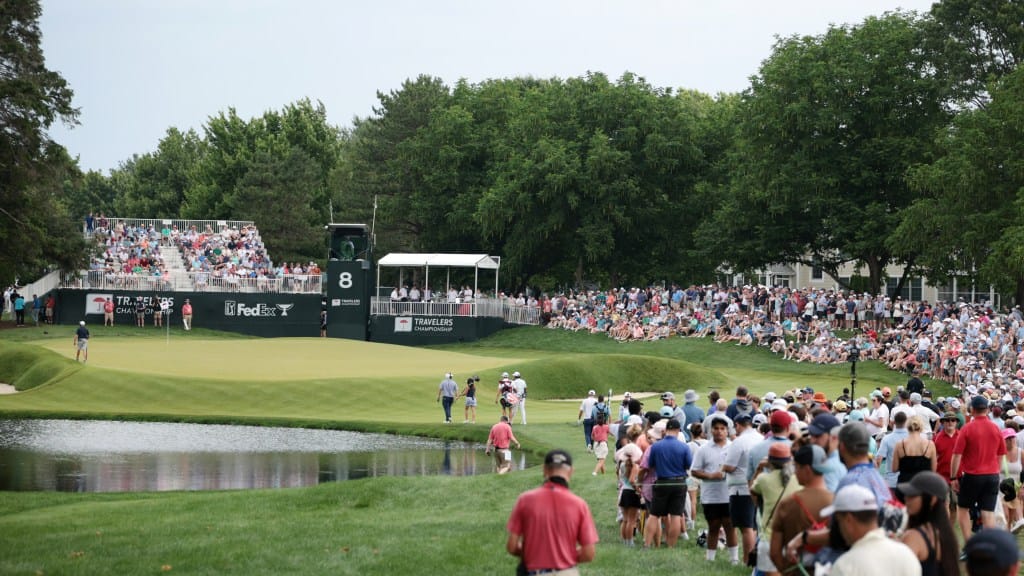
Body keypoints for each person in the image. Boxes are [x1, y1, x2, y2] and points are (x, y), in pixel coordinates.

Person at [506, 449, 598, 575]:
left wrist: (534, 554)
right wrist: (565, 556)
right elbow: (589, 553)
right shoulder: (579, 505)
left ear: (544, 470)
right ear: (571, 472)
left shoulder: (525, 500)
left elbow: (512, 546)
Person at [822, 484, 922, 576]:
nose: (839, 529)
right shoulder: (907, 556)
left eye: (839, 522)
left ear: (848, 520)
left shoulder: (846, 566)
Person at [771, 444, 833, 575]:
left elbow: (774, 552)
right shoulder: (837, 502)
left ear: (807, 470)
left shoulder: (787, 503)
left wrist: (786, 571)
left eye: (796, 467)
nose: (794, 472)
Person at [951, 395, 1006, 541]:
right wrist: (997, 472)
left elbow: (957, 455)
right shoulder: (995, 428)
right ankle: (990, 545)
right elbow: (1001, 454)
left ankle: (970, 543)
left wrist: (953, 477)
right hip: (992, 474)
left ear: (972, 410)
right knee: (988, 512)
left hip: (973, 474)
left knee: (963, 508)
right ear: (987, 410)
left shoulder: (967, 428)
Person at [690, 417, 736, 562]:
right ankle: (710, 558)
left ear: (727, 431)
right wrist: (710, 475)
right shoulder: (704, 449)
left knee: (730, 526)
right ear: (711, 430)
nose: (719, 431)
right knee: (713, 526)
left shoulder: (733, 447)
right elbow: (694, 470)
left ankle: (734, 559)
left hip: (729, 494)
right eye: (716, 428)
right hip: (710, 495)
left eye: (722, 429)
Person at [750, 442, 800, 576]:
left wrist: (759, 469)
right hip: (793, 537)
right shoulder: (798, 479)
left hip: (769, 538)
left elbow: (752, 493)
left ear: (769, 461)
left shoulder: (764, 479)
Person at [897, 471, 959, 576]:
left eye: (913, 495)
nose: (906, 498)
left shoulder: (914, 537)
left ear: (932, 499)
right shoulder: (945, 535)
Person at [643, 417, 693, 549]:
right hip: (679, 482)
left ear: (666, 430)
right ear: (678, 430)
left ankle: (647, 544)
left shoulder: (655, 446)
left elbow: (651, 464)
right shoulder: (684, 447)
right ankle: (671, 545)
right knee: (676, 515)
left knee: (654, 514)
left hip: (661, 482)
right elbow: (689, 465)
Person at [615, 424, 644, 546]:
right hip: (631, 493)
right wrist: (638, 489)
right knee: (632, 520)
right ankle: (630, 542)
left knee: (625, 520)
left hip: (623, 491)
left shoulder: (622, 463)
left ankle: (624, 540)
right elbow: (632, 480)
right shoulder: (635, 466)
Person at [892, 416, 937, 486]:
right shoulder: (930, 445)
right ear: (921, 427)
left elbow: (894, 469)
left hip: (904, 485)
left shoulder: (899, 445)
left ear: (907, 427)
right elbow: (934, 469)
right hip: (924, 485)